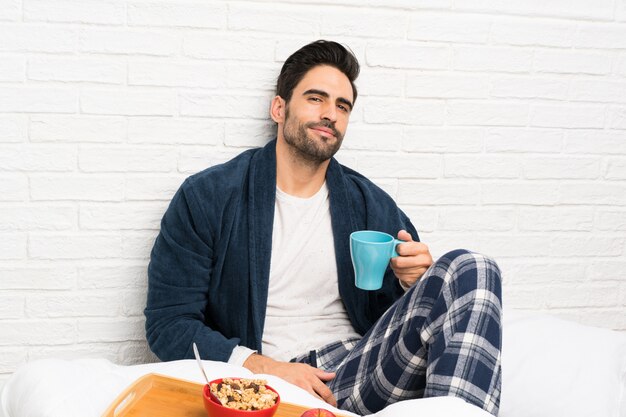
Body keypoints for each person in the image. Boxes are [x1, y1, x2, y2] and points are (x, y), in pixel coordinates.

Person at [145, 40, 502, 416]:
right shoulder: (210, 196)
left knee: (472, 268)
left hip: (360, 366)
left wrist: (412, 282)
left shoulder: (369, 203)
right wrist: (267, 369)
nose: (330, 113)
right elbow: (169, 323)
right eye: (316, 98)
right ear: (279, 108)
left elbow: (409, 321)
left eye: (342, 106)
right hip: (276, 380)